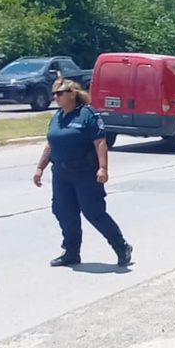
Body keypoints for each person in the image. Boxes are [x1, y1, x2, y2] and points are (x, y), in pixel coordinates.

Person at [33, 79, 134, 268]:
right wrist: (40, 168)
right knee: (64, 212)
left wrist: (103, 168)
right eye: (54, 94)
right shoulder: (57, 116)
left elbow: (100, 142)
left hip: (85, 173)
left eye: (60, 93)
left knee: (93, 212)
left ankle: (121, 246)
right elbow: (50, 144)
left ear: (72, 93)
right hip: (61, 173)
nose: (56, 97)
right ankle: (71, 252)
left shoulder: (87, 114)